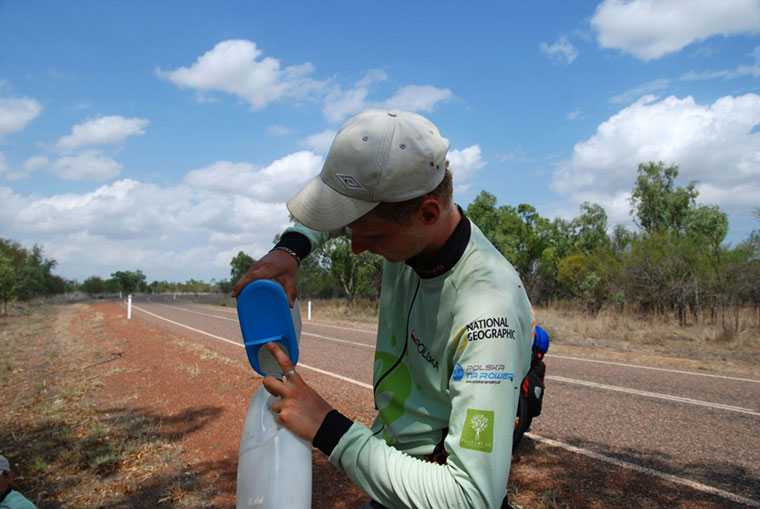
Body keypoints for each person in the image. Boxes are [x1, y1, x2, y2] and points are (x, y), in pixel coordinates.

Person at [232, 109, 534, 508]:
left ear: (427, 213)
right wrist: (289, 250)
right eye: (352, 228)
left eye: (369, 234)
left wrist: (326, 426)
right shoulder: (408, 227)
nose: (355, 247)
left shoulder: (486, 314)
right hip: (396, 474)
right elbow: (347, 215)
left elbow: (472, 497)